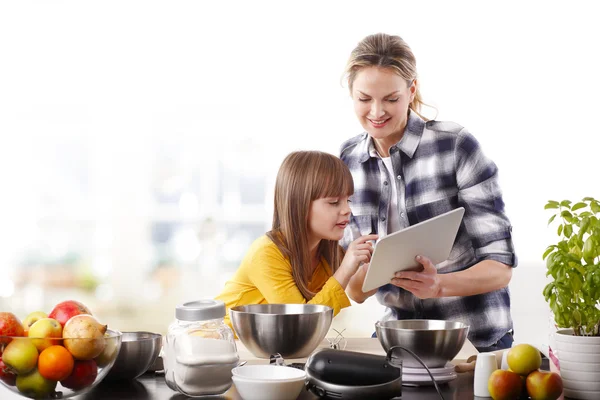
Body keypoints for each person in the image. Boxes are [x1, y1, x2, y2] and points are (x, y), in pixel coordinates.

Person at [339, 33, 517, 352]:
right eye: (364, 99)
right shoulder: (349, 161)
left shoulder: (454, 146)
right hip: (399, 335)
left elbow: (500, 268)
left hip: (474, 336)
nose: (377, 112)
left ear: (411, 91)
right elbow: (357, 291)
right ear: (351, 94)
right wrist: (367, 264)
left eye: (391, 99)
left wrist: (438, 286)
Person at [215, 151, 377, 328]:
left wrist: (381, 266)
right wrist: (345, 269)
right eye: (334, 202)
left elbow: (357, 292)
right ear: (299, 204)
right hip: (221, 344)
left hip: (267, 348)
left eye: (349, 201)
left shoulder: (328, 252)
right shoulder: (266, 253)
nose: (347, 210)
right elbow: (300, 323)